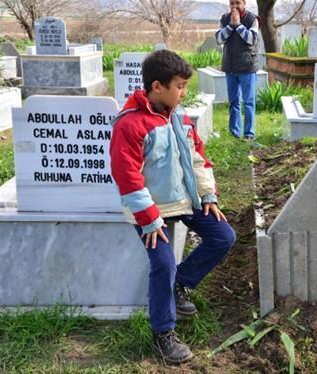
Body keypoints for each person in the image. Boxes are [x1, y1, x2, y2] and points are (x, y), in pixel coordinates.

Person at [109, 50, 236, 364]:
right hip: (153, 210)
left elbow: (197, 158)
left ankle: (182, 283)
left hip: (185, 199)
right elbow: (127, 176)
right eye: (179, 86)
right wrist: (149, 217)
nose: (184, 92)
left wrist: (207, 195)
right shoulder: (131, 125)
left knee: (224, 236)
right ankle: (163, 332)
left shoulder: (178, 117)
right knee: (163, 263)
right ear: (157, 86)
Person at [216, 0, 259, 140]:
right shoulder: (224, 19)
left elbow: (251, 39)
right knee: (234, 102)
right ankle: (234, 133)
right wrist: (231, 25)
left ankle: (249, 134)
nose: (234, 6)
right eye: (232, 3)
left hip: (247, 66)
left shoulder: (253, 19)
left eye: (238, 3)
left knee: (248, 102)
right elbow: (219, 39)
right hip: (230, 67)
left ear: (244, 3)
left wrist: (239, 25)